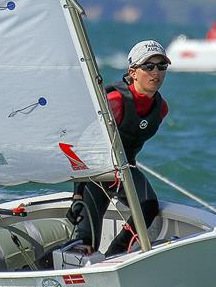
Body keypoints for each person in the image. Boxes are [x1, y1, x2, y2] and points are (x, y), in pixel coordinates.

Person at [66, 40, 170, 257]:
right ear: (133, 72)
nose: (156, 72)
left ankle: (117, 252)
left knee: (149, 206)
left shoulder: (161, 108)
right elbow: (84, 147)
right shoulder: (115, 102)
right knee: (85, 242)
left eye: (162, 66)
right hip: (95, 174)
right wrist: (77, 196)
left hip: (124, 170)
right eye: (148, 67)